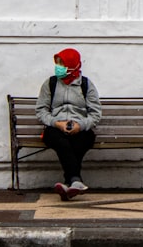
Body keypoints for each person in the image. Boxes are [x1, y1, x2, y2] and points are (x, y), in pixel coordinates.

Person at [35, 48, 102, 200]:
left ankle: (68, 184)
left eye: (62, 64)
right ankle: (75, 180)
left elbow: (95, 113)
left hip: (80, 128)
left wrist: (81, 125)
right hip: (55, 128)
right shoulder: (50, 84)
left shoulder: (86, 85)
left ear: (72, 66)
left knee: (80, 142)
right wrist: (56, 123)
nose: (58, 67)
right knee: (62, 142)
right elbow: (41, 110)